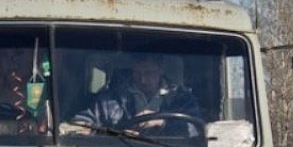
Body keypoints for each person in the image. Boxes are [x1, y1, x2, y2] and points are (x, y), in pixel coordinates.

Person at [70, 54, 200, 133]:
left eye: (149, 73)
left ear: (161, 69)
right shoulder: (110, 100)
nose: (143, 80)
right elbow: (81, 123)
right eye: (137, 73)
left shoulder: (183, 100)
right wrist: (116, 134)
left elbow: (196, 130)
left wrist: (164, 123)